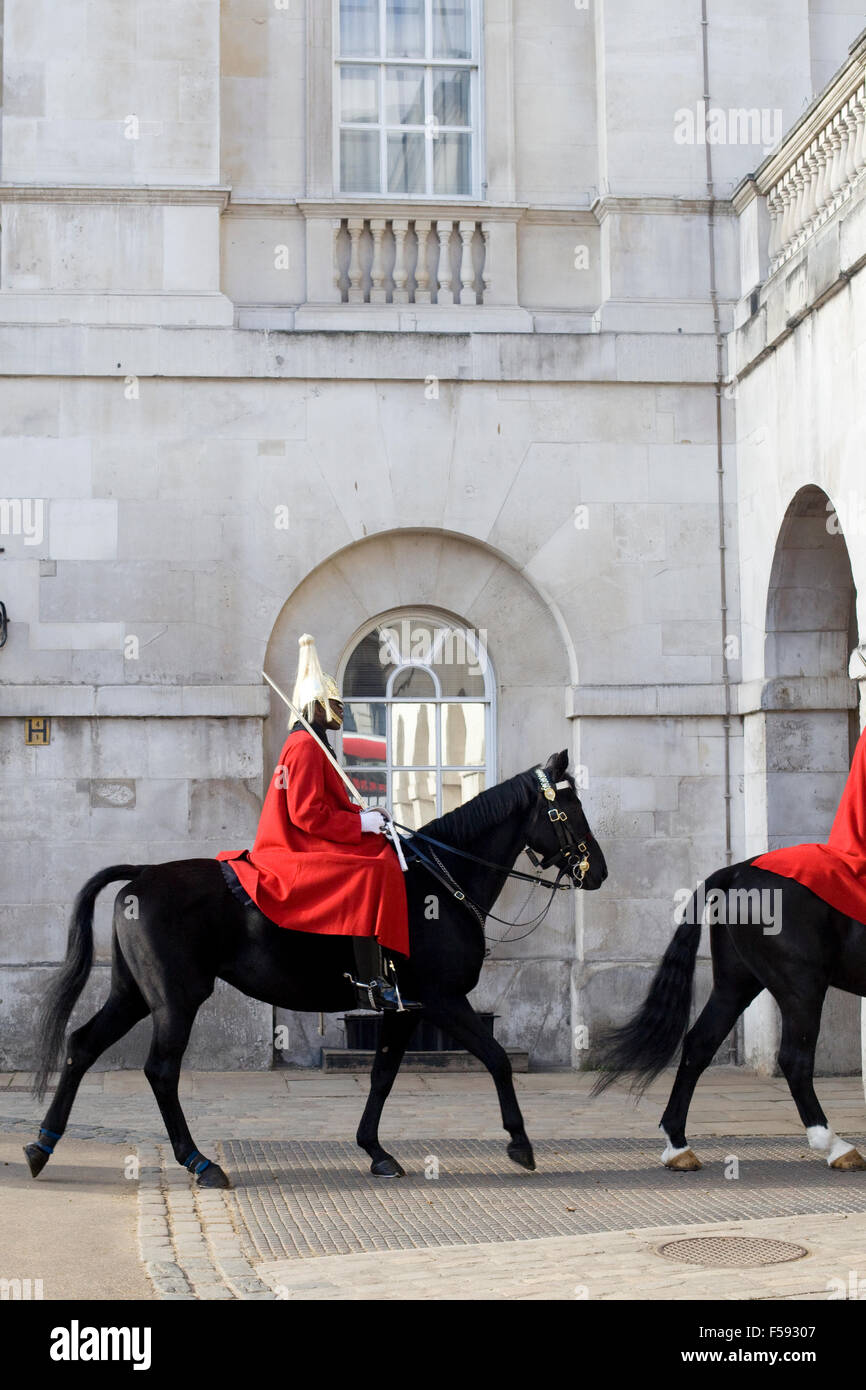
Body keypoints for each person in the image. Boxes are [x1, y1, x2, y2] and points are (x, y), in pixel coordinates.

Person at [218, 634, 419, 1011]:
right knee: (373, 870)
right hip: (293, 847)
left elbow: (329, 805)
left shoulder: (313, 743)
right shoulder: (307, 746)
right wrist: (360, 828)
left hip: (309, 839)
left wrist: (367, 817)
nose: (341, 711)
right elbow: (307, 814)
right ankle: (370, 981)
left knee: (381, 852)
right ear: (316, 705)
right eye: (335, 704)